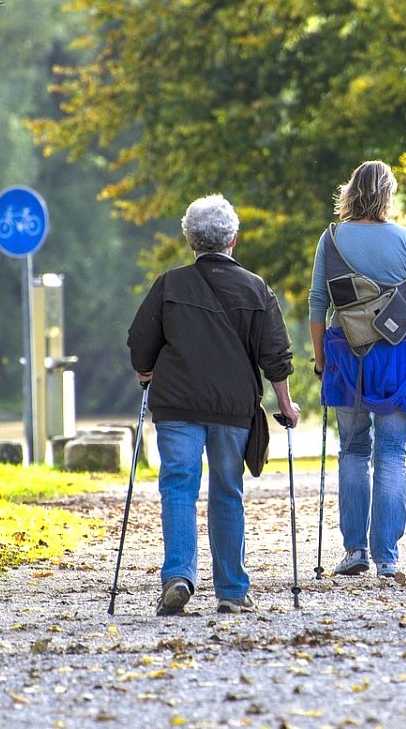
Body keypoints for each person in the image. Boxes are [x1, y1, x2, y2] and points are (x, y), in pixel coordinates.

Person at [128, 194, 300, 616]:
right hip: (232, 408)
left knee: (178, 488)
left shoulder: (169, 284)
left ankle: (179, 577)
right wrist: (286, 404)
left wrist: (145, 371)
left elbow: (139, 340)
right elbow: (275, 354)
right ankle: (232, 591)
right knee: (227, 492)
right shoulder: (256, 288)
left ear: (190, 240)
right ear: (233, 240)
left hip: (177, 406)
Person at [308, 161, 406, 579]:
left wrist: (321, 361)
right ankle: (388, 557)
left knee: (353, 449)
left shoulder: (331, 239)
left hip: (346, 354)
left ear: (350, 192)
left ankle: (354, 549)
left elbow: (316, 304)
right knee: (392, 453)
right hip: (397, 356)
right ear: (388, 195)